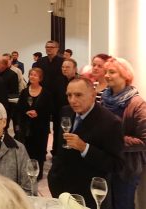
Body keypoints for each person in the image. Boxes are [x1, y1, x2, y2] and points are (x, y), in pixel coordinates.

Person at [47, 77, 124, 209]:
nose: (72, 100)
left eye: (78, 95)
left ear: (93, 95)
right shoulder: (66, 111)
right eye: (69, 95)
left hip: (88, 193)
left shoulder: (111, 122)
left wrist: (85, 148)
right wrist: (53, 175)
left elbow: (117, 165)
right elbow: (59, 147)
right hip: (60, 187)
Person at [101, 57, 146, 209]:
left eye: (112, 72)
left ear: (125, 75)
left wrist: (118, 140)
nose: (106, 75)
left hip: (126, 168)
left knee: (123, 205)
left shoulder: (137, 103)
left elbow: (144, 140)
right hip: (106, 163)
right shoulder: (104, 99)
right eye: (106, 71)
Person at [17, 68, 52, 180]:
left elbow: (49, 110)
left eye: (35, 75)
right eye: (31, 74)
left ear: (40, 78)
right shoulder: (24, 92)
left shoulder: (46, 93)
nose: (32, 77)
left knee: (40, 150)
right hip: (27, 127)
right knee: (27, 149)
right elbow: (19, 108)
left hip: (40, 127)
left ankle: (38, 173)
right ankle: (28, 171)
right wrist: (26, 112)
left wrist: (38, 113)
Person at [33, 40, 65, 157]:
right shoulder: (40, 61)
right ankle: (41, 150)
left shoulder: (62, 62)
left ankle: (56, 151)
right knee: (43, 125)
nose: (49, 49)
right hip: (43, 97)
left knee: (58, 126)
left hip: (59, 98)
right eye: (47, 47)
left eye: (51, 47)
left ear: (57, 49)